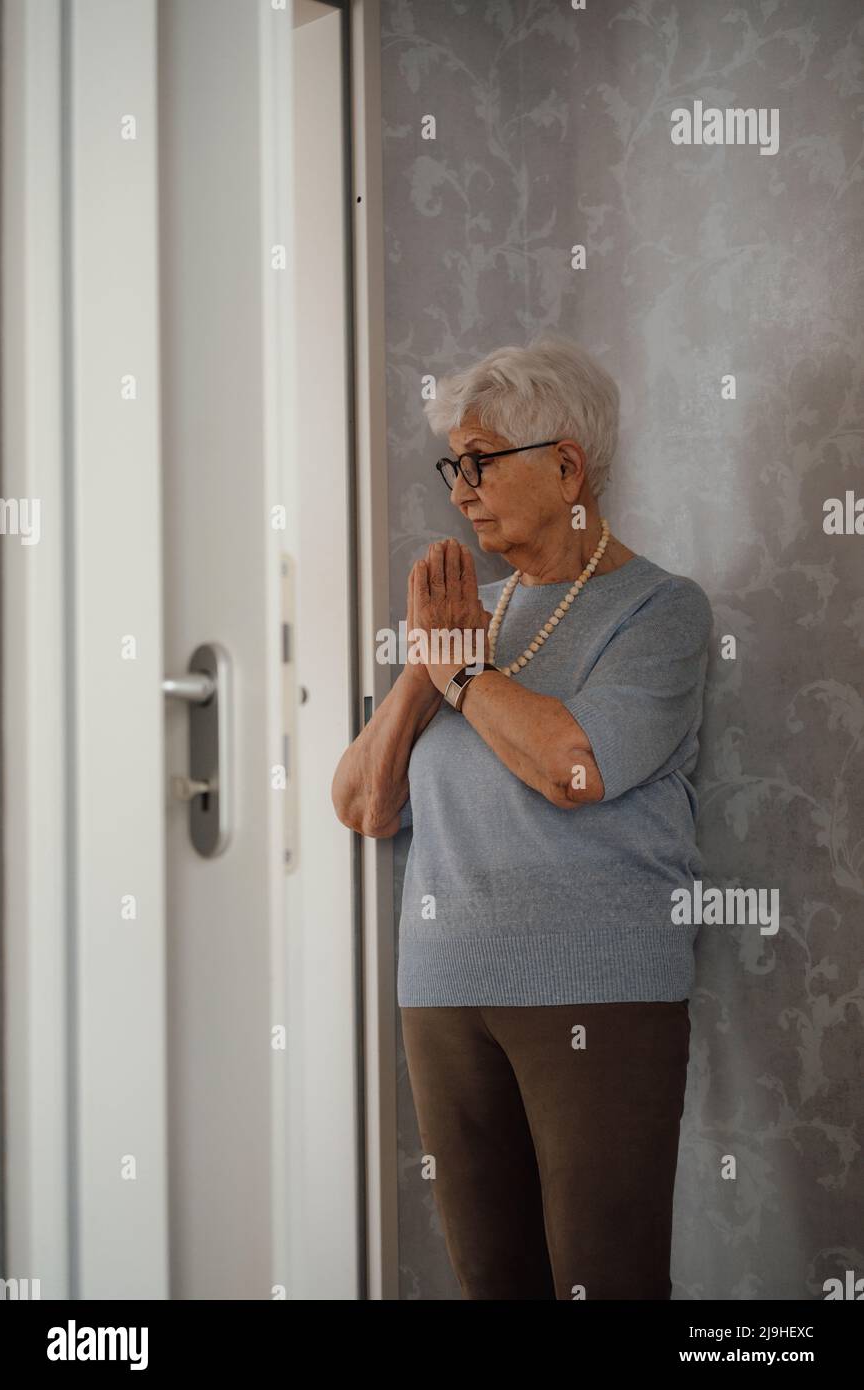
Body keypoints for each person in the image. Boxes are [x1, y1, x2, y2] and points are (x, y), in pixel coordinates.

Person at [331, 332, 713, 1300]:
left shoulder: (660, 611)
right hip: (446, 992)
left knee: (606, 1280)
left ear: (567, 464)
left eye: (481, 461)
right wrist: (431, 663)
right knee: (493, 1282)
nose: (460, 488)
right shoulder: (466, 620)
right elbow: (365, 802)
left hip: (598, 992)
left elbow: (573, 766)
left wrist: (463, 670)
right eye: (452, 465)